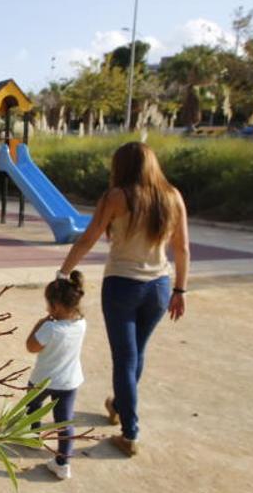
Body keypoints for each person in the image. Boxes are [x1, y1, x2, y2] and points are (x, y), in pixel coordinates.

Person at [57, 142, 189, 458]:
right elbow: (182, 248)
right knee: (135, 353)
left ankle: (130, 432)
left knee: (126, 358)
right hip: (159, 287)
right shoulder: (173, 196)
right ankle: (118, 405)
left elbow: (88, 239)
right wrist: (180, 290)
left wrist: (64, 272)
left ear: (122, 167)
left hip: (122, 287)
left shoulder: (116, 197)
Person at [25, 271, 87, 480]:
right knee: (64, 422)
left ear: (56, 307)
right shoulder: (81, 324)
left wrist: (41, 322)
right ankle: (63, 464)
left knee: (33, 406)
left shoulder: (50, 328)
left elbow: (31, 346)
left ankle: (34, 436)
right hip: (69, 382)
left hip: (43, 379)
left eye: (48, 305)